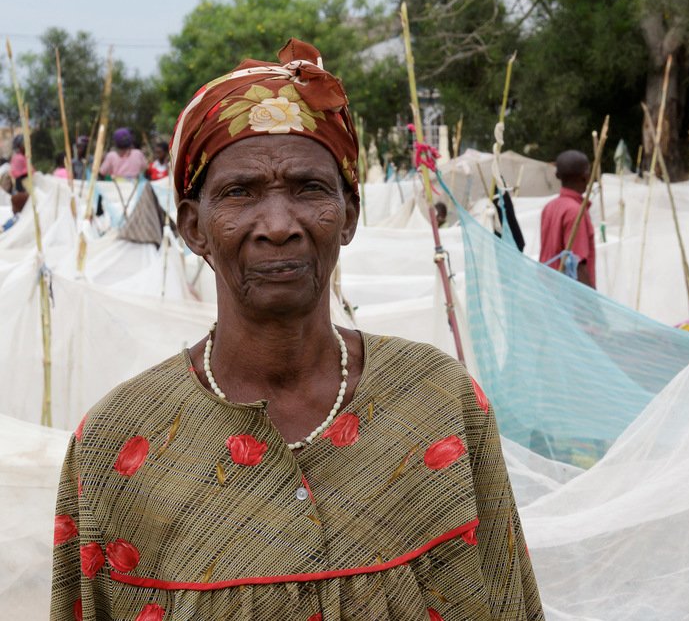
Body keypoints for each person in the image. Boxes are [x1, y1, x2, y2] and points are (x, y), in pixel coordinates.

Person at [50, 38, 542, 621]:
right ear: (193, 227)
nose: (279, 225)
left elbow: (509, 602)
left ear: (350, 214)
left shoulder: (437, 401)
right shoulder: (118, 447)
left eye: (309, 189)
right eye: (240, 192)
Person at [539, 149, 596, 288]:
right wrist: (592, 306)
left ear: (558, 175)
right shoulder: (575, 212)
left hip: (547, 292)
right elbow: (577, 265)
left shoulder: (549, 207)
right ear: (585, 177)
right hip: (568, 298)